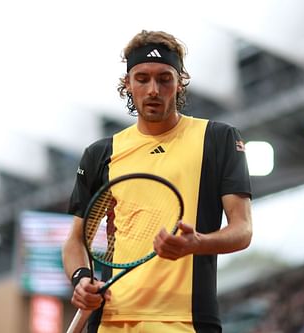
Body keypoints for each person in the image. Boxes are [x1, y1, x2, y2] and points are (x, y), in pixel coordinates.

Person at [62, 29, 253, 333]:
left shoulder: (217, 139)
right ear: (128, 84)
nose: (153, 89)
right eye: (142, 78)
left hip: (189, 321)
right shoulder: (101, 154)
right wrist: (81, 278)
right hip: (113, 320)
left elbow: (242, 230)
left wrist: (198, 243)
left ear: (179, 83)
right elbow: (76, 239)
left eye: (164, 79)